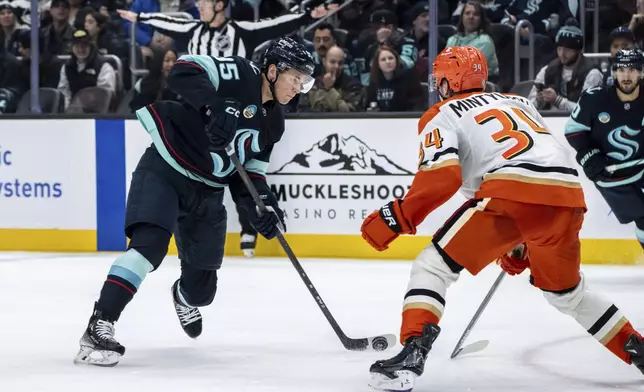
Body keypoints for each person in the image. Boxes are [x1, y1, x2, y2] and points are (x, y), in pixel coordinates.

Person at [360, 46, 644, 391]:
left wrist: (395, 218)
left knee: (433, 267)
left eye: (441, 80)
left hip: (513, 196)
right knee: (568, 294)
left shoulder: (442, 112)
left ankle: (412, 352)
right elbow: (536, 164)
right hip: (568, 198)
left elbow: (442, 178)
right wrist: (520, 244)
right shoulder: (519, 102)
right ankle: (637, 348)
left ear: (449, 81)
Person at [73, 36, 315, 367]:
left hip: (208, 191)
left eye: (305, 81)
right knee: (148, 247)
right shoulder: (239, 73)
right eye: (296, 78)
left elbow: (251, 175)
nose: (299, 87)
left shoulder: (274, 122)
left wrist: (262, 208)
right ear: (273, 71)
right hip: (166, 169)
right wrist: (211, 105)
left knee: (202, 292)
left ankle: (182, 295)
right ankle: (100, 325)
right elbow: (183, 69)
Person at [118, 0, 331, 257]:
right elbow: (170, 24)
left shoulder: (240, 31)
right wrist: (140, 18)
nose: (199, 6)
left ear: (220, 4)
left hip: (242, 105)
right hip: (204, 104)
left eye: (205, 2)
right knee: (209, 163)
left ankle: (248, 227)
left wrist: (306, 15)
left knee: (244, 165)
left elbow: (274, 25)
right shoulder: (193, 29)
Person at [565, 48, 644, 251]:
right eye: (622, 69)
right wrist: (588, 156)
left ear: (641, 72)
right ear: (614, 72)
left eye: (633, 69)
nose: (627, 75)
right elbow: (574, 131)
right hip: (611, 173)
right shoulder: (594, 99)